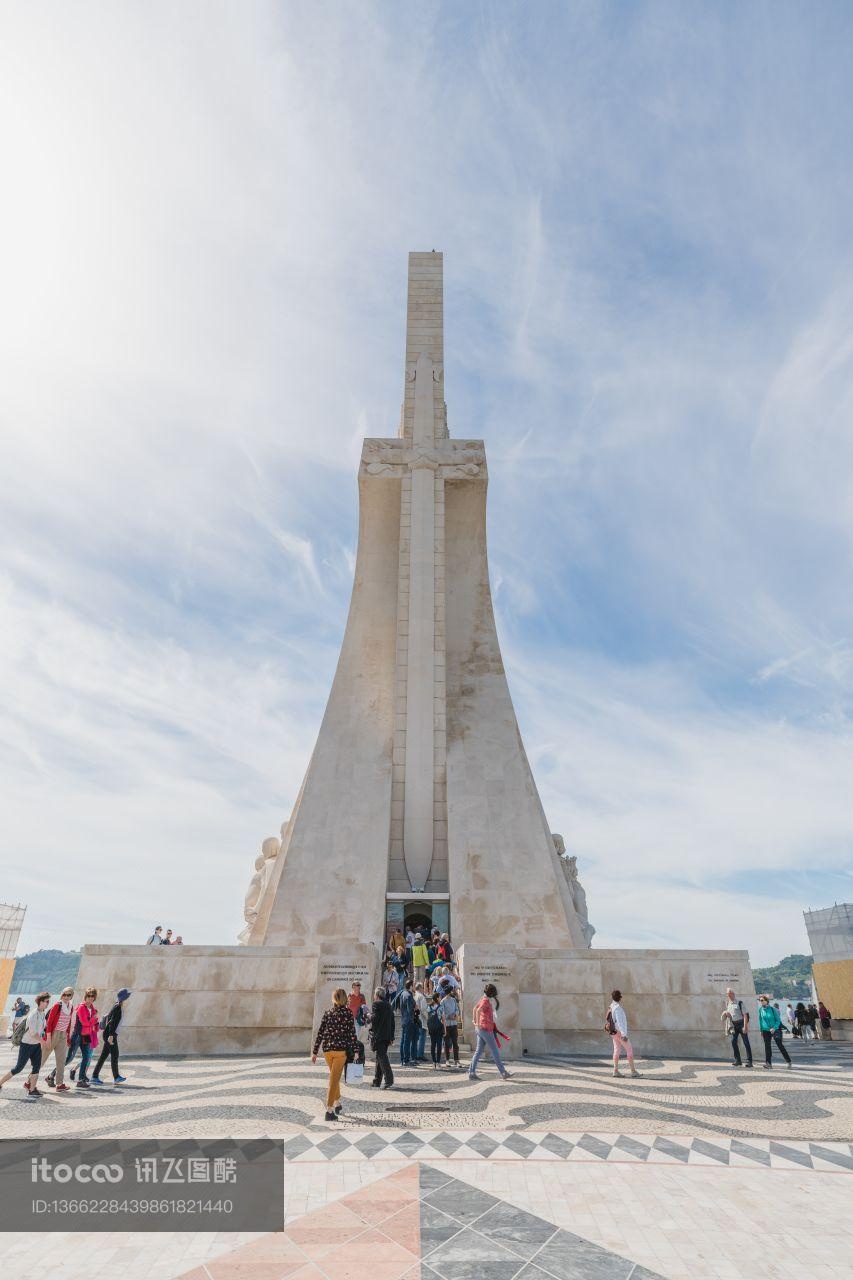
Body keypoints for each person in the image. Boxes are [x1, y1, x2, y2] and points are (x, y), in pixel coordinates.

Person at [311, 987, 359, 1121]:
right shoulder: (348, 1013)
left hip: (327, 1050)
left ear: (334, 998)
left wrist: (315, 1052)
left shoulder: (328, 1013)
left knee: (334, 1077)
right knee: (333, 1080)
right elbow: (352, 1034)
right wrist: (356, 1051)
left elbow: (320, 1033)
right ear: (345, 998)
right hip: (340, 1051)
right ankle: (329, 1110)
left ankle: (337, 1103)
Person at [0, 991, 50, 1099]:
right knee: (18, 1068)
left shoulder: (42, 1014)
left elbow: (42, 1029)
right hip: (26, 1044)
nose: (48, 1003)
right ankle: (0, 1083)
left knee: (36, 1067)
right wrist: (43, 1041)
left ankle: (32, 1090)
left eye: (48, 1001)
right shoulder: (33, 1014)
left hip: (36, 1045)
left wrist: (42, 1040)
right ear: (40, 1002)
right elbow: (33, 1033)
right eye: (46, 1001)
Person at [468, 983, 511, 1080]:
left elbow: (475, 1009)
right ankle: (503, 1073)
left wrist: (475, 1022)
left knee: (478, 1052)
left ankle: (471, 1072)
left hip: (481, 1029)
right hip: (486, 1029)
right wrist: (477, 1023)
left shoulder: (483, 999)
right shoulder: (486, 1001)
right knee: (495, 1051)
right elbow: (478, 1010)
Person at [91, 988, 131, 1084]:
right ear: (124, 997)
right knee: (115, 1054)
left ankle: (94, 1076)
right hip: (110, 1035)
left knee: (104, 1056)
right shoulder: (117, 1007)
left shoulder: (117, 1005)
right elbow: (112, 1022)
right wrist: (111, 1036)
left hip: (109, 1034)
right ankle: (116, 1077)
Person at [43, 987, 76, 1091]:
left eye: (69, 995)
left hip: (63, 1035)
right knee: (42, 1058)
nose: (66, 997)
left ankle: (59, 1084)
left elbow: (69, 1023)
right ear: (62, 995)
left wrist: (68, 1038)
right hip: (53, 1034)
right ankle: (30, 1081)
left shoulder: (70, 1007)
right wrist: (48, 1038)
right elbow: (49, 1023)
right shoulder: (58, 1005)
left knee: (61, 1060)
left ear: (71, 996)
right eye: (64, 994)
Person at [68, 988, 99, 1088]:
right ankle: (51, 1075)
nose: (90, 998)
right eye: (88, 996)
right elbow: (85, 1022)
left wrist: (95, 1023)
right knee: (69, 1058)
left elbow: (94, 1022)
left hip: (86, 1035)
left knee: (87, 1057)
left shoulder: (92, 1009)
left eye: (92, 996)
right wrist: (93, 1021)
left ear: (94, 998)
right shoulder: (81, 1007)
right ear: (85, 996)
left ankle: (81, 1080)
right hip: (77, 1035)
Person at [608, 989, 640, 1079]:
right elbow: (620, 1022)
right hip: (619, 1033)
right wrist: (624, 1035)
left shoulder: (611, 1006)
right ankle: (633, 1071)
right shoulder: (617, 1008)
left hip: (614, 1033)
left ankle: (615, 1070)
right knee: (629, 1049)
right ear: (620, 997)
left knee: (616, 1050)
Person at [368, 986, 395, 1089]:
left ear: (377, 995)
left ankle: (389, 1080)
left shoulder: (376, 1004)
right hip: (386, 1036)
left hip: (379, 1036)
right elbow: (392, 1022)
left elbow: (375, 1019)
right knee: (379, 1057)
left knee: (382, 1057)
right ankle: (377, 1081)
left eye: (375, 994)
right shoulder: (388, 1005)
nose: (374, 996)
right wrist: (391, 1037)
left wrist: (368, 1015)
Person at [722, 988, 753, 1068]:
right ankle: (738, 1060)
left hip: (741, 1024)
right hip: (734, 1025)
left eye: (729, 994)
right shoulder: (728, 1003)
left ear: (733, 994)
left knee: (746, 1042)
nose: (728, 995)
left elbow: (745, 1015)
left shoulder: (739, 1003)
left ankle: (749, 1061)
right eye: (727, 994)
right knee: (733, 1042)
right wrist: (727, 1014)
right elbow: (730, 1014)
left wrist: (745, 1026)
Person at [758, 995, 791, 1068]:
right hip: (765, 1030)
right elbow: (760, 1020)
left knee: (780, 1045)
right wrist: (761, 1030)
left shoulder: (773, 1009)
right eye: (760, 1000)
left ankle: (788, 1061)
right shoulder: (760, 1010)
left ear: (766, 1001)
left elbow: (778, 1020)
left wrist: (774, 1028)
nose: (761, 1001)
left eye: (762, 1000)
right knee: (767, 1047)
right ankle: (768, 1063)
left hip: (775, 1030)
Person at [439, 984, 461, 1069]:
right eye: (451, 991)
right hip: (446, 1025)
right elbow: (442, 1013)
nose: (452, 992)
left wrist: (455, 1014)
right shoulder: (442, 1001)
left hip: (454, 1024)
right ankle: (447, 1060)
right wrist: (449, 1016)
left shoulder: (454, 1000)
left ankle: (456, 1060)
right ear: (449, 992)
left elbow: (457, 1009)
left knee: (455, 1043)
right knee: (447, 1043)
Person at [399, 980, 417, 1067]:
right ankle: (406, 1060)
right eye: (413, 985)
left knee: (403, 1040)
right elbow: (410, 1010)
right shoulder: (409, 995)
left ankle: (403, 1059)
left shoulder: (403, 993)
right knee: (406, 1041)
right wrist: (415, 1007)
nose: (414, 987)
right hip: (409, 1020)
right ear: (410, 986)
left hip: (404, 1019)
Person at [427, 995, 444, 1069]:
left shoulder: (429, 1007)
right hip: (439, 1028)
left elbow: (428, 1017)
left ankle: (433, 1062)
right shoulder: (440, 1007)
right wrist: (445, 1030)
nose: (440, 998)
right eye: (440, 997)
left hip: (431, 1028)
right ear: (437, 998)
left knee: (433, 1045)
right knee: (439, 1045)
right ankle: (438, 1063)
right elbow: (443, 1019)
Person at [413, 982, 429, 1062]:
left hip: (415, 1020)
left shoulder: (414, 996)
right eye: (422, 987)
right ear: (420, 988)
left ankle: (415, 1054)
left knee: (415, 1038)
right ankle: (420, 1055)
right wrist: (427, 1017)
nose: (423, 989)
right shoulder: (421, 996)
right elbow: (423, 1009)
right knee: (422, 1038)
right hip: (421, 1020)